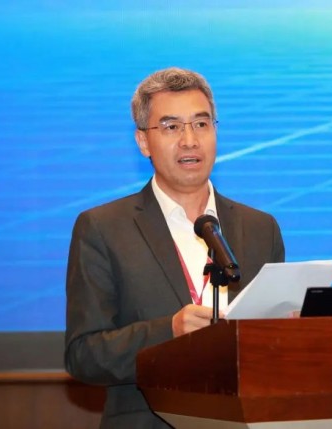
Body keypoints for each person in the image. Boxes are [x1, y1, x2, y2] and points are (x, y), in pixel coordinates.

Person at [64, 67, 285, 429]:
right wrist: (169, 331)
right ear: (143, 142)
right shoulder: (103, 228)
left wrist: (287, 336)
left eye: (201, 124)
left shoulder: (261, 228)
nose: (190, 140)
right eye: (171, 127)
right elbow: (83, 355)